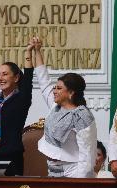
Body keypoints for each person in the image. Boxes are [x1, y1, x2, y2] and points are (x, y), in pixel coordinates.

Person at [32, 37, 97, 178]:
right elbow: (43, 80)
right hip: (52, 170)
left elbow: (88, 154)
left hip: (74, 172)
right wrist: (37, 51)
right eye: (55, 87)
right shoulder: (55, 106)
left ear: (71, 92)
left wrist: (82, 182)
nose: (54, 91)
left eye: (59, 88)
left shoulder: (82, 115)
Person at [0, 41, 34, 176]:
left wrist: (28, 52)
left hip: (11, 160)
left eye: (5, 74)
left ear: (16, 78)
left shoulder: (22, 98)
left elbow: (28, 77)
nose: (0, 78)